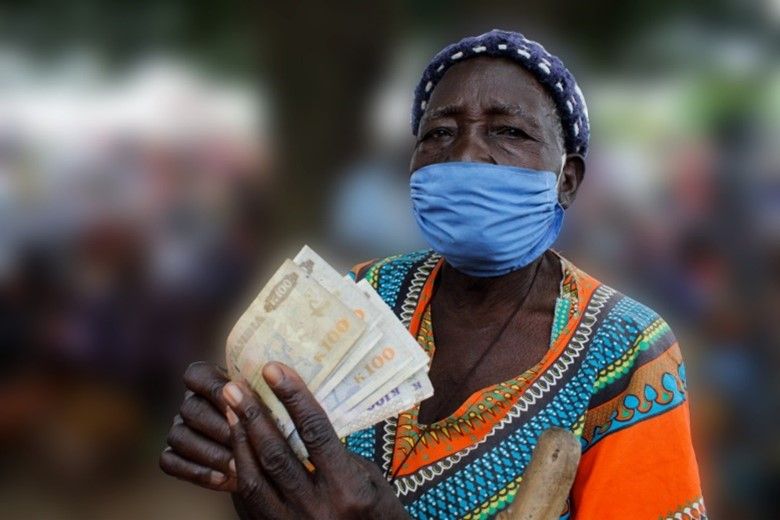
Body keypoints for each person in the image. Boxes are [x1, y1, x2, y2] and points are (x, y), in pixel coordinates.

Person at [160, 29, 705, 519]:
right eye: (439, 134)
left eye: (509, 131)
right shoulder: (357, 297)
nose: (466, 154)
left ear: (567, 180)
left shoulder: (625, 351)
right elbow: (292, 481)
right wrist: (246, 452)